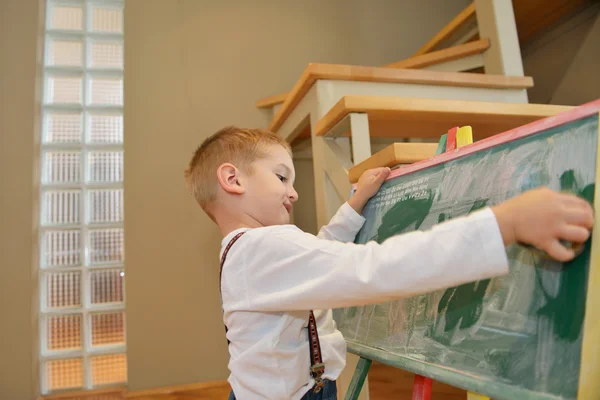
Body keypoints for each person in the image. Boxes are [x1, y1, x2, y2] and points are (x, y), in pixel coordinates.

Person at [184, 126, 593, 400]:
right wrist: (503, 224)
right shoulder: (261, 249)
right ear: (233, 180)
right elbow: (374, 267)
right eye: (281, 177)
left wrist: (354, 206)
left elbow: (319, 257)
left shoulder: (248, 252)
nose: (293, 193)